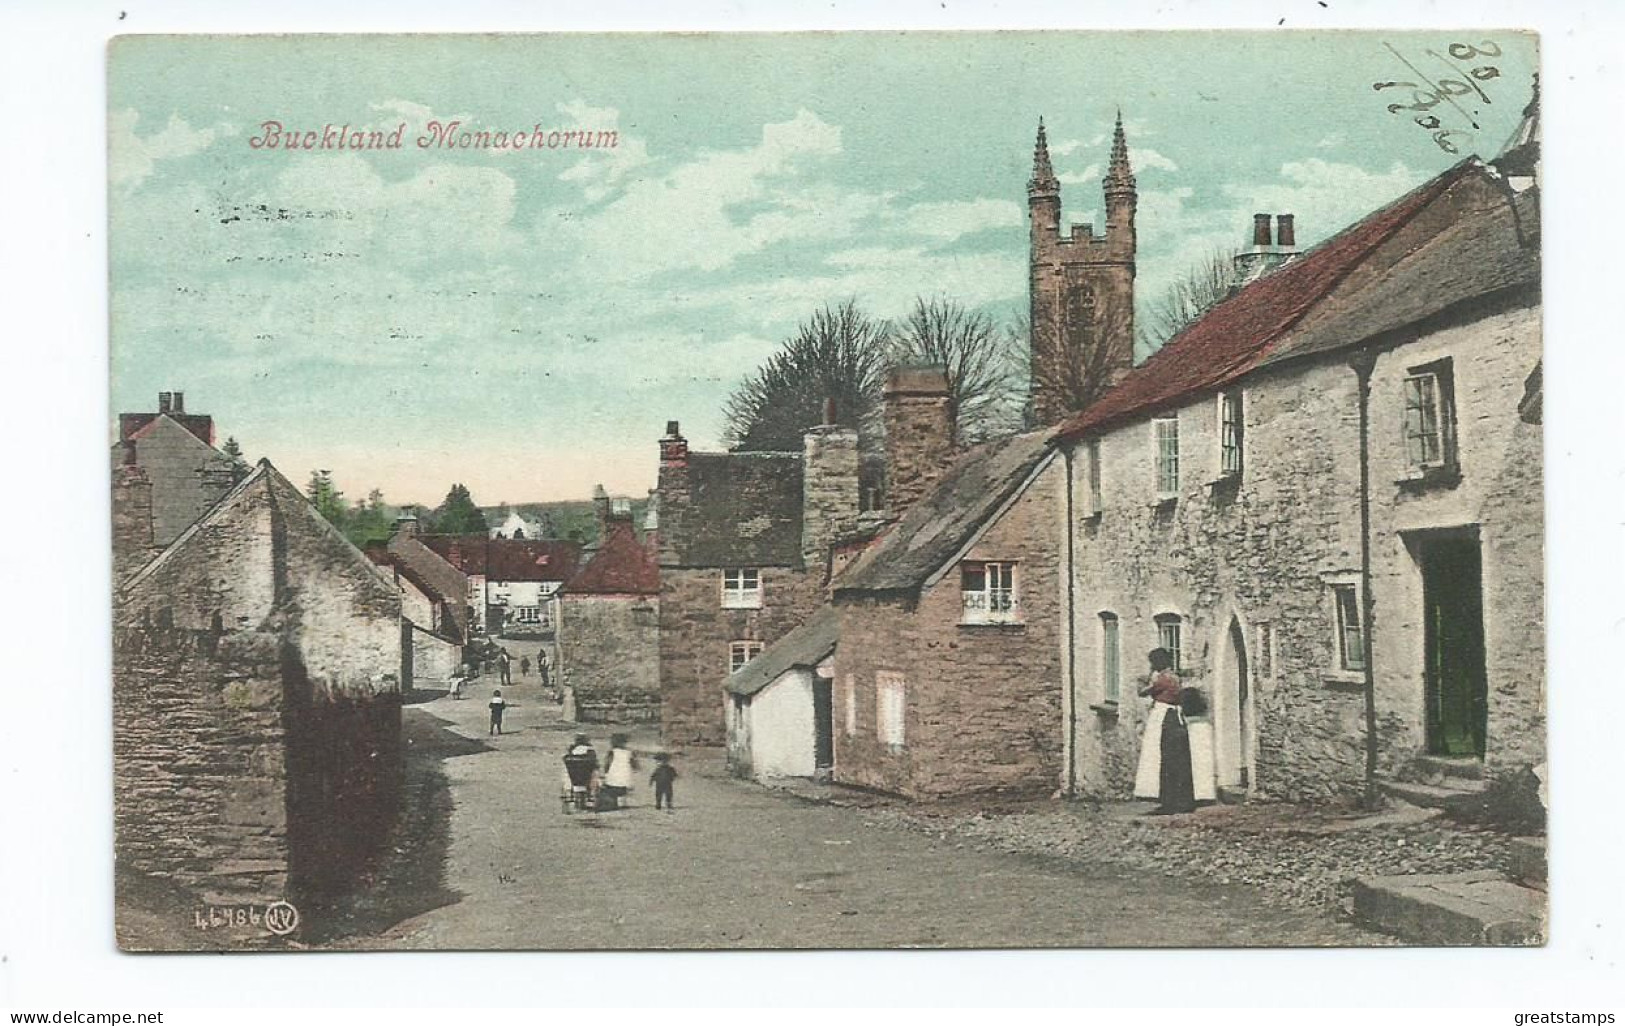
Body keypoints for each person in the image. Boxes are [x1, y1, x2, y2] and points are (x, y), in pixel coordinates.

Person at [1133, 648, 1195, 813]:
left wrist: (1147, 675)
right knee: (1176, 758)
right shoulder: (1174, 676)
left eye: (1153, 662)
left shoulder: (1164, 679)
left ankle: (1169, 801)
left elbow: (1142, 692)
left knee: (1163, 757)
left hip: (1164, 717)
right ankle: (1179, 800)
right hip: (1173, 716)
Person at [1182, 686, 1218, 806]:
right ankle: (1206, 794)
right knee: (1204, 765)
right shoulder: (1205, 721)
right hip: (1203, 732)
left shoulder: (1186, 721)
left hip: (1192, 731)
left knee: (1193, 765)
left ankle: (1195, 795)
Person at [599, 733, 635, 810]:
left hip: (613, 778)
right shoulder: (629, 752)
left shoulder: (612, 752)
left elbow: (607, 764)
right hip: (625, 778)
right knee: (623, 786)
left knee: (611, 786)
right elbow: (634, 765)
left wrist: (605, 773)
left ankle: (614, 801)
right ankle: (622, 802)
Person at [562, 734, 599, 812]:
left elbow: (566, 759)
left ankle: (570, 802)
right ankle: (590, 799)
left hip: (573, 775)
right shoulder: (590, 750)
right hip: (586, 776)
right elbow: (594, 763)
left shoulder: (572, 750)